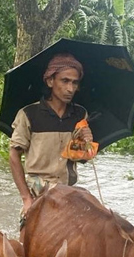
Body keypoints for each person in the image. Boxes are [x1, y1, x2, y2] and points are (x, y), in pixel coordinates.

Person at [9, 53, 94, 219]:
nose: (70, 88)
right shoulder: (28, 114)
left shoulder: (80, 114)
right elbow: (14, 155)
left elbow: (80, 158)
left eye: (75, 82)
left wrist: (86, 141)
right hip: (38, 188)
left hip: (68, 189)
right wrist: (26, 199)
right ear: (50, 81)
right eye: (65, 81)